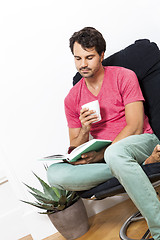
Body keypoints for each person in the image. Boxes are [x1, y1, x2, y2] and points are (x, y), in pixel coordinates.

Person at [47, 27, 160, 239]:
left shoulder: (124, 76)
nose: (83, 64)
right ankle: (137, 167)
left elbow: (135, 125)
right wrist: (85, 130)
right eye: (77, 58)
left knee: (114, 154)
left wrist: (105, 153)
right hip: (109, 157)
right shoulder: (72, 98)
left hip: (141, 140)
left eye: (89, 57)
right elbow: (74, 146)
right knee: (55, 174)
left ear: (101, 55)